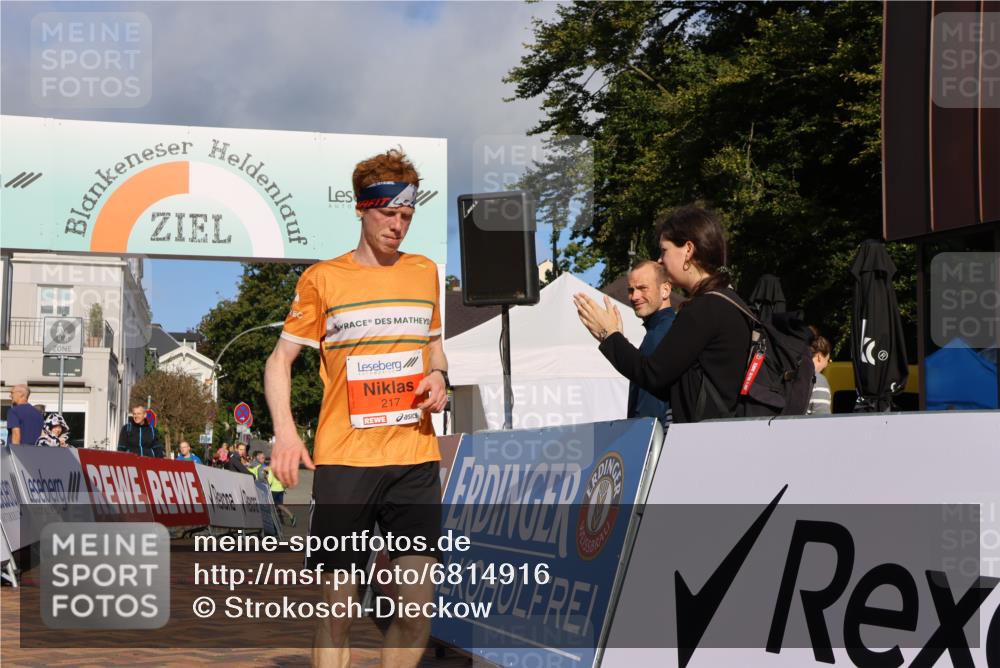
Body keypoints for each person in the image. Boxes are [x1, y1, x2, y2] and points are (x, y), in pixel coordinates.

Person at [264, 148, 448, 668]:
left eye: (407, 215)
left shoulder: (423, 272)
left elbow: (434, 347)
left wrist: (440, 375)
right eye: (388, 214)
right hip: (345, 460)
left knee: (416, 610)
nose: (398, 225)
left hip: (413, 458)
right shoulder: (323, 279)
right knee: (337, 611)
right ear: (362, 209)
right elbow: (279, 362)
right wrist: (285, 431)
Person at [574, 205, 751, 423]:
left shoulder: (705, 308)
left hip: (706, 444)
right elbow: (672, 386)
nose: (660, 260)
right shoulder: (730, 302)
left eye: (664, 251)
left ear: (688, 249)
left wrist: (611, 336)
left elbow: (652, 375)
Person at [624, 260, 676, 426]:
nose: (635, 296)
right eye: (631, 290)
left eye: (642, 288)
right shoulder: (659, 331)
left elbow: (648, 411)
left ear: (665, 289)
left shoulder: (660, 335)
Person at [808, 331, 832, 415]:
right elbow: (822, 420)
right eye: (827, 360)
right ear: (819, 357)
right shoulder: (818, 380)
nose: (826, 365)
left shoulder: (791, 374)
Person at [265, 462, 296, 527]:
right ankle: (291, 516)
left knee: (270, 506)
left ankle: (272, 522)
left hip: (273, 490)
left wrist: (266, 478)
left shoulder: (272, 470)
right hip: (281, 490)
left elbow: (270, 481)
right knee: (280, 505)